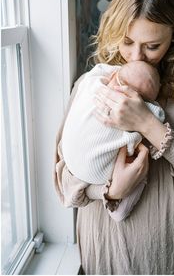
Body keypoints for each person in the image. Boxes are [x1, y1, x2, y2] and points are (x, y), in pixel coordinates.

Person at [54, 0, 174, 274]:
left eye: (151, 46)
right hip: (106, 248)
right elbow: (63, 175)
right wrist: (110, 191)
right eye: (127, 41)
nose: (136, 56)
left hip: (169, 254)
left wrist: (148, 123)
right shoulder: (95, 82)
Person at [60, 60, 165, 222]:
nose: (137, 54)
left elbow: (99, 68)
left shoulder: (91, 83)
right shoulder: (140, 112)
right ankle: (120, 210)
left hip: (68, 158)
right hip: (101, 174)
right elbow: (158, 116)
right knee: (139, 165)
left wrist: (120, 72)